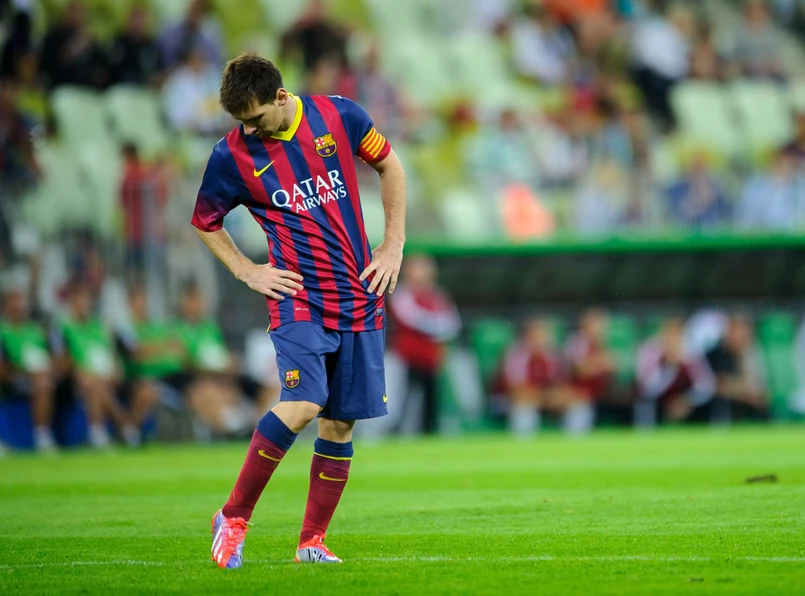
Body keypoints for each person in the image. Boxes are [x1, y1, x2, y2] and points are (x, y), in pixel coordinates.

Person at [192, 53, 405, 567]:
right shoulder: (231, 155)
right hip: (299, 298)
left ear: (282, 97)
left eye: (256, 118)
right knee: (304, 403)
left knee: (340, 423)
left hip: (359, 293)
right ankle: (233, 517)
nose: (249, 130)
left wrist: (393, 244)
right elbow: (205, 221)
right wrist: (247, 270)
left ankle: (312, 542)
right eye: (241, 121)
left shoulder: (340, 115)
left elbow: (390, 165)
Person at [50, 280, 142, 448]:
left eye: (86, 300)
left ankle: (101, 432)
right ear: (72, 302)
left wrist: (115, 370)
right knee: (95, 384)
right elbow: (60, 362)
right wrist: (78, 370)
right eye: (79, 300)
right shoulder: (62, 327)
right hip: (74, 380)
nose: (84, 304)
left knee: (102, 385)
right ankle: (123, 426)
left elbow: (112, 356)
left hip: (104, 377)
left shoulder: (100, 326)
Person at [388, 255, 460, 434]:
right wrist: (438, 326)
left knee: (431, 398)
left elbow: (452, 322)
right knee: (403, 397)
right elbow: (414, 319)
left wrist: (441, 327)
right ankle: (396, 431)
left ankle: (429, 431)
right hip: (406, 357)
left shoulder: (436, 293)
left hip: (430, 357)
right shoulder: (402, 293)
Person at [500, 317, 592, 436]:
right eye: (537, 335)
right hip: (512, 401)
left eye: (545, 335)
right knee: (523, 408)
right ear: (528, 336)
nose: (542, 339)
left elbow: (563, 384)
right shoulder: (516, 354)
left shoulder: (555, 354)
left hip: (546, 398)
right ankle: (522, 443)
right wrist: (542, 397)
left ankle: (575, 442)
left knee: (578, 402)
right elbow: (516, 390)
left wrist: (554, 396)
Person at [0, 269, 57, 451]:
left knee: (44, 382)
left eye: (21, 300)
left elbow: (52, 358)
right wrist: (24, 370)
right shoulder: (2, 331)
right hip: (12, 377)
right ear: (5, 305)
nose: (19, 305)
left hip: (36, 376)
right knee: (41, 381)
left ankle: (42, 436)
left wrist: (48, 369)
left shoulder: (36, 330)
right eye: (14, 300)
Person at [635, 317, 714, 425]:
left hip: (686, 403)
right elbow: (647, 389)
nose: (673, 341)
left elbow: (706, 385)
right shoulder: (650, 351)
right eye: (669, 336)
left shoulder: (692, 352)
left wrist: (686, 399)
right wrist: (670, 367)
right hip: (658, 403)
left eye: (677, 336)